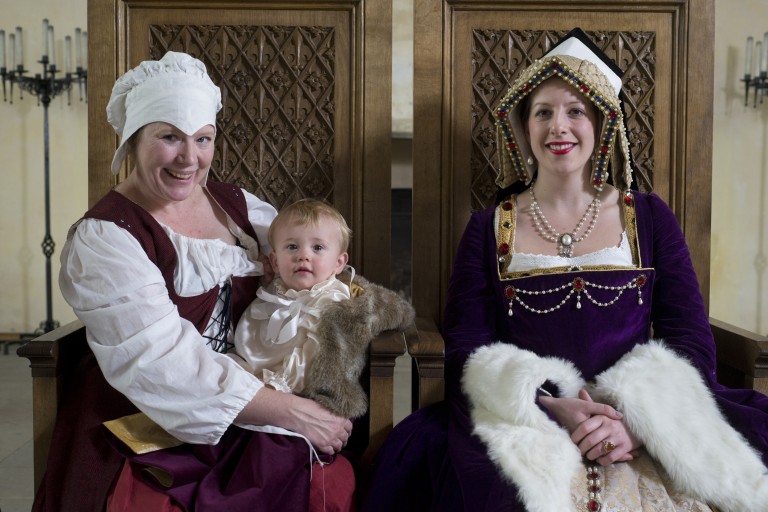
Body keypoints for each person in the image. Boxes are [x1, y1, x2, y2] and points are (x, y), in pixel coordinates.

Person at [362, 28, 768, 512]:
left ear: (601, 125)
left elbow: (690, 338)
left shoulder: (650, 217)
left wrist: (633, 421)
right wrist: (550, 406)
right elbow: (467, 348)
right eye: (543, 112)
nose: (559, 126)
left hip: (641, 420)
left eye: (576, 111)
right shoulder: (489, 227)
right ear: (523, 127)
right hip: (530, 417)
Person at [38, 51, 357, 512]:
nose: (190, 158)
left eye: (203, 139)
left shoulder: (237, 206)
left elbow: (313, 262)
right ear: (132, 140)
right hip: (143, 415)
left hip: (250, 404)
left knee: (323, 480)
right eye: (169, 137)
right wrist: (290, 411)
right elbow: (161, 363)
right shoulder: (105, 238)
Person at [233, 198, 415, 420]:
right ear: (275, 261)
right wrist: (246, 383)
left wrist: (276, 388)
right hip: (257, 394)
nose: (303, 255)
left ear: (339, 262)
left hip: (307, 401)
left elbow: (318, 356)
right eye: (292, 247)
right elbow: (247, 342)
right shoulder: (269, 297)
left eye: (317, 247)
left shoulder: (337, 302)